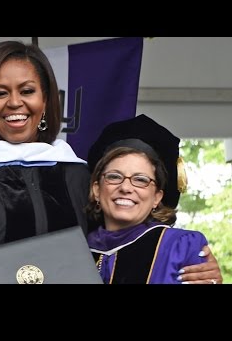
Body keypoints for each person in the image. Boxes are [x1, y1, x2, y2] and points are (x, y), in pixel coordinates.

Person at [0, 40, 221, 284]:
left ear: (46, 100)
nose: (14, 103)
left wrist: (196, 266)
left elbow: (121, 249)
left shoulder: (74, 173)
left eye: (27, 91)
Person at [86, 114, 223, 284]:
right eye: (114, 176)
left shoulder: (179, 247)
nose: (126, 188)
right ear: (97, 189)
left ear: (157, 197)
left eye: (141, 180)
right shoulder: (75, 250)